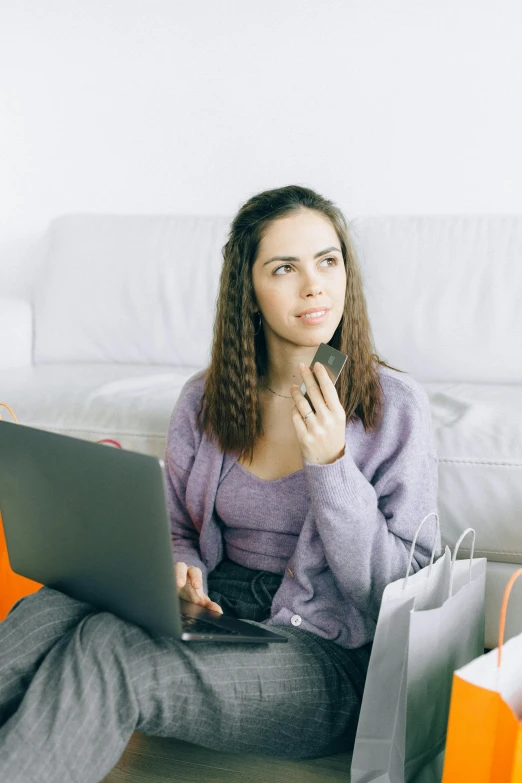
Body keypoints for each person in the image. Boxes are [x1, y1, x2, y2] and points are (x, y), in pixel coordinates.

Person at [0, 185, 440, 782]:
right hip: (217, 608)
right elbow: (178, 528)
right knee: (51, 609)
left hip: (321, 654)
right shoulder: (205, 401)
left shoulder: (394, 408)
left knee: (110, 649)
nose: (315, 285)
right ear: (250, 292)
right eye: (285, 268)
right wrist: (180, 569)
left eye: (328, 261)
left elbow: (404, 591)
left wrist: (333, 465)